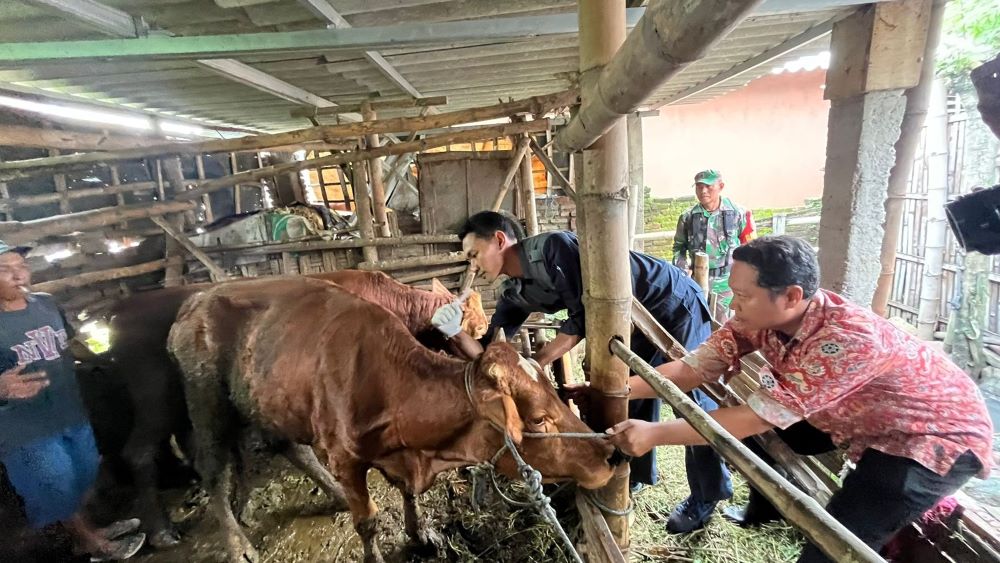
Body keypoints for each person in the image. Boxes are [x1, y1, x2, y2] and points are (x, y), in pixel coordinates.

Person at [605, 235, 993, 562]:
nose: (734, 305)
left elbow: (756, 417)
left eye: (742, 295)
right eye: (732, 293)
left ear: (791, 296)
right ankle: (765, 507)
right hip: (849, 414)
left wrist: (653, 433)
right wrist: (615, 389)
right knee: (762, 429)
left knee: (836, 538)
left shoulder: (844, 340)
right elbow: (695, 369)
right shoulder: (757, 316)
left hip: (930, 439)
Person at [433, 211, 733, 533]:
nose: (473, 267)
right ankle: (638, 476)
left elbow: (581, 317)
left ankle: (707, 495)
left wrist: (539, 362)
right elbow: (493, 353)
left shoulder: (552, 249)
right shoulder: (514, 293)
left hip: (671, 303)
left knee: (691, 401)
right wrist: (455, 331)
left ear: (499, 240)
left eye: (474, 255)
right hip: (633, 320)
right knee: (636, 397)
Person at [0, 240, 145, 561]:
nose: (18, 274)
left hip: (69, 412)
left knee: (83, 473)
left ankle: (91, 529)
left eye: (21, 266)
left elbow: (69, 343)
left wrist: (104, 360)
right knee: (56, 486)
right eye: (5, 269)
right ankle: (91, 544)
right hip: (25, 428)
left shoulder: (46, 304)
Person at [672, 169, 755, 310]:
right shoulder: (687, 217)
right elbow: (679, 248)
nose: (703, 191)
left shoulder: (739, 213)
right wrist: (682, 270)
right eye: (699, 186)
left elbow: (751, 248)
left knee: (724, 327)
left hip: (728, 285)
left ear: (721, 186)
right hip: (695, 284)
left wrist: (747, 279)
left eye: (708, 186)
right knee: (697, 324)